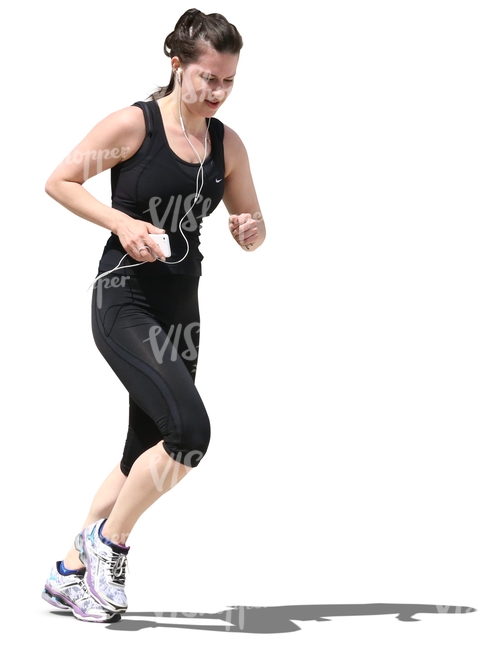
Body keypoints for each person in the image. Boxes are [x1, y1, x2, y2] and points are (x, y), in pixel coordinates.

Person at [41, 8, 266, 623]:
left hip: (182, 310)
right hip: (125, 299)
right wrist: (121, 221)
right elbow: (60, 181)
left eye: (228, 82)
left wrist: (249, 230)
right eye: (206, 78)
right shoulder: (132, 125)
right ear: (177, 64)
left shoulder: (227, 143)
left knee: (145, 446)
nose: (216, 92)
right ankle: (108, 545)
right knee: (190, 435)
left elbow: (253, 226)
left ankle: (67, 575)